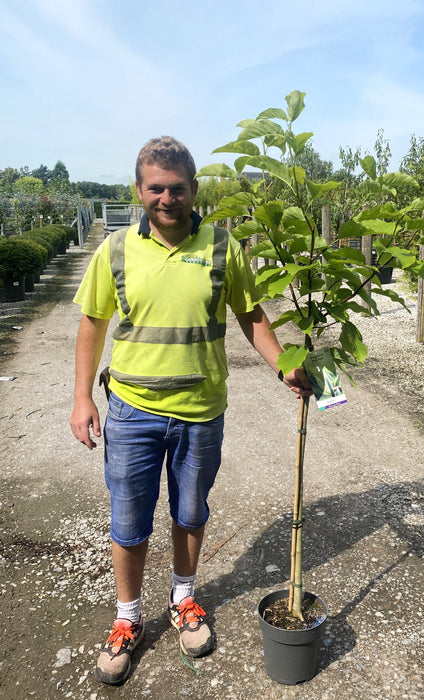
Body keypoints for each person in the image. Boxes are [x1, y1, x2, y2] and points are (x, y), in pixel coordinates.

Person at [69, 136, 312, 686]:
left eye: (177, 188)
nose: (166, 198)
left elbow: (250, 315)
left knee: (190, 510)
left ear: (193, 190)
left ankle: (183, 597)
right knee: (128, 521)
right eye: (155, 188)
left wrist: (284, 365)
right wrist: (83, 396)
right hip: (133, 410)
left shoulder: (223, 246)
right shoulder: (115, 251)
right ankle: (127, 619)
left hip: (202, 411)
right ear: (139, 190)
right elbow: (93, 324)